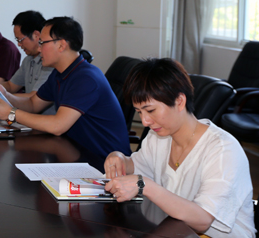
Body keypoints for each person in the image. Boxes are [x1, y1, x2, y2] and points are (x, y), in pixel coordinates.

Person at [104, 58, 254, 238]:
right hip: (174, 231)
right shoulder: (158, 137)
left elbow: (203, 220)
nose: (145, 121)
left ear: (180, 101)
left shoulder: (223, 150)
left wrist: (144, 185)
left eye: (150, 110)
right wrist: (120, 157)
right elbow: (138, 166)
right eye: (139, 112)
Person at [0, 16, 130, 159]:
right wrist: (5, 95)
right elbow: (33, 104)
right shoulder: (59, 73)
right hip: (75, 151)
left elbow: (57, 126)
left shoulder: (86, 78)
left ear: (61, 45)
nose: (39, 48)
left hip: (105, 162)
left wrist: (11, 113)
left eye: (42, 43)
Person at [0, 10, 53, 94]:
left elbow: (34, 98)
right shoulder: (28, 60)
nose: (19, 44)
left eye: (20, 40)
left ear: (36, 35)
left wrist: (5, 96)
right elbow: (11, 86)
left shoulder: (49, 62)